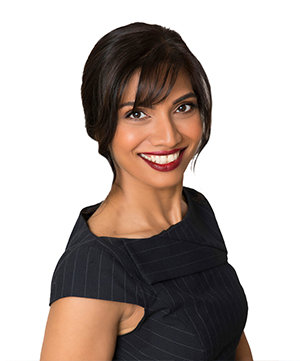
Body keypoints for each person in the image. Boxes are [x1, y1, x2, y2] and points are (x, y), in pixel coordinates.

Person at [40, 22, 253, 360]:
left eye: (183, 107)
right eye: (137, 113)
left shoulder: (195, 210)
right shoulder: (96, 269)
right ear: (100, 126)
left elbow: (226, 336)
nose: (168, 137)